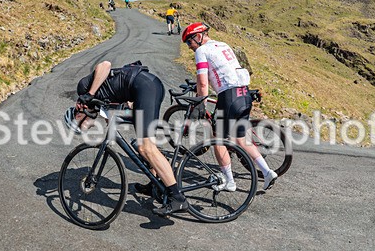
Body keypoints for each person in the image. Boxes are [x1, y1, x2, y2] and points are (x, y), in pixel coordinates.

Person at [67, 61, 189, 216]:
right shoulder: (95, 104)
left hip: (145, 87)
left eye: (80, 125)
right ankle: (155, 184)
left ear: (78, 111)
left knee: (146, 147)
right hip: (143, 90)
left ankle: (178, 198)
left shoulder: (84, 90)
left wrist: (89, 94)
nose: (84, 128)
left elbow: (105, 65)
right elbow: (113, 111)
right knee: (142, 144)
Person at [181, 22, 278, 190]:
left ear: (198, 36)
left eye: (189, 42)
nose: (189, 47)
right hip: (244, 94)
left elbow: (203, 83)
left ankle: (229, 182)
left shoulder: (201, 51)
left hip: (229, 96)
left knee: (217, 140)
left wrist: (201, 104)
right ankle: (267, 172)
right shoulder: (223, 44)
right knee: (240, 139)